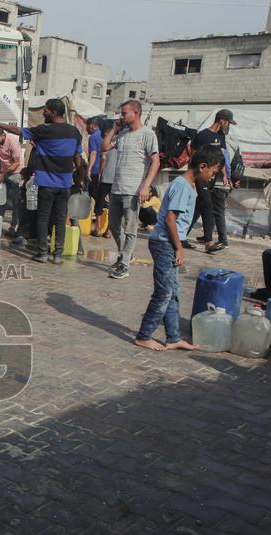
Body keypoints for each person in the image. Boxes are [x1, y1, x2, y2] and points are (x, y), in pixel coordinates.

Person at [134, 147, 224, 352]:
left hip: (167, 243)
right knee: (164, 293)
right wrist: (179, 248)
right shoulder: (183, 186)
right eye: (212, 172)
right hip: (164, 243)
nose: (212, 177)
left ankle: (173, 337)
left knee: (173, 292)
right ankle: (144, 335)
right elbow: (170, 218)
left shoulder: (187, 185)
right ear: (202, 166)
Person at [0, 98, 85, 264]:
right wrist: (82, 179)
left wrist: (0, 124)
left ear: (54, 112)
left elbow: (18, 131)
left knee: (42, 217)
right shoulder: (74, 132)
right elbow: (77, 159)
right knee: (60, 218)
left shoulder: (44, 131)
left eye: (46, 110)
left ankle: (42, 253)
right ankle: (57, 255)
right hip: (65, 184)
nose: (43, 113)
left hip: (47, 183)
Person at [100, 99, 160, 279]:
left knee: (130, 228)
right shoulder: (123, 134)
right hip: (117, 187)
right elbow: (104, 147)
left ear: (136, 113)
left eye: (125, 113)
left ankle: (124, 264)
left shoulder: (148, 134)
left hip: (133, 190)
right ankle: (126, 254)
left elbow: (155, 161)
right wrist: (114, 129)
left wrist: (146, 185)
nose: (122, 116)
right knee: (113, 225)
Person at [188, 109, 235, 253]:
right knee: (208, 204)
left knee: (199, 206)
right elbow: (193, 156)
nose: (228, 126)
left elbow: (221, 157)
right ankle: (208, 242)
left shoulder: (221, 137)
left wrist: (225, 175)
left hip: (213, 177)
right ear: (222, 120)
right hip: (201, 175)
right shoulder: (202, 135)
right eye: (228, 123)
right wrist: (190, 176)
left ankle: (181, 234)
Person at [0, 126, 24, 236]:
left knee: (16, 201)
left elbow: (16, 163)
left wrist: (3, 176)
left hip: (16, 172)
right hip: (5, 171)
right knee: (2, 200)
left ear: (3, 135)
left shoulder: (12, 142)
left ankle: (13, 226)